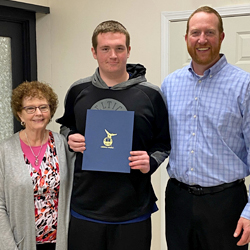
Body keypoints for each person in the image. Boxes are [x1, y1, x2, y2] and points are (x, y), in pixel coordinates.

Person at [56, 20, 171, 250]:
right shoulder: (78, 90)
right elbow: (65, 127)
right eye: (105, 49)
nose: (113, 55)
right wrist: (70, 139)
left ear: (128, 50)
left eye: (119, 48)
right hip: (85, 207)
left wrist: (151, 161)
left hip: (132, 209)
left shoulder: (151, 94)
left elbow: (163, 143)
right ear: (94, 52)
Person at [161, 6, 250, 250]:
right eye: (195, 33)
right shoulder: (170, 85)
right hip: (179, 200)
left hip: (226, 204)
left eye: (209, 32)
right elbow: (159, 140)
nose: (202, 40)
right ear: (186, 38)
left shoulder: (244, 86)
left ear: (221, 37)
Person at [0, 81, 75, 250]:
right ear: (20, 114)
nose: (38, 113)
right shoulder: (5, 151)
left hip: (60, 243)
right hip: (21, 244)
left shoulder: (62, 145)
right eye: (30, 108)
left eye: (43, 107)